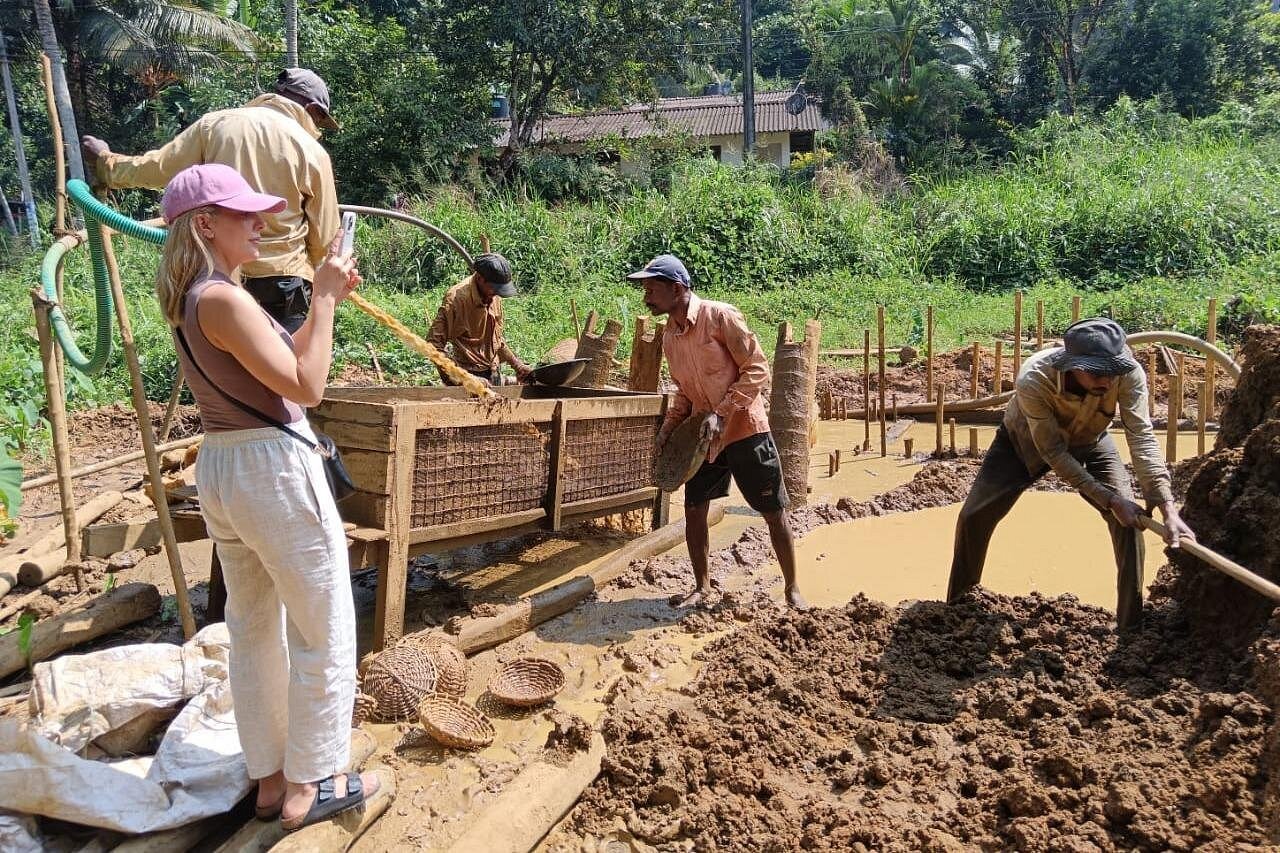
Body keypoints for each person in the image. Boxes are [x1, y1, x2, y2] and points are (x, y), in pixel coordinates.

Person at [156, 163, 377, 831]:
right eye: (243, 214)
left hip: (229, 465)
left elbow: (287, 367)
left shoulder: (201, 296)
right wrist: (326, 298)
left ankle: (272, 777)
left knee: (253, 628)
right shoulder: (223, 300)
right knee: (321, 623)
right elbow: (308, 388)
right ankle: (313, 782)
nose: (259, 223)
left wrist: (324, 299)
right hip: (271, 468)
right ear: (204, 225)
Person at [946, 318, 1196, 630]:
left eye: (1112, 371)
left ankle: (1130, 628)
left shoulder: (1129, 372)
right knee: (973, 516)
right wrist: (1108, 499)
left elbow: (1141, 436)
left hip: (1091, 439)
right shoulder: (1035, 378)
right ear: (1072, 365)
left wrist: (1166, 507)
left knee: (1129, 522)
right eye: (1095, 372)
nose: (1106, 380)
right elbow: (1053, 453)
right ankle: (956, 612)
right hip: (1025, 442)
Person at [83, 68, 341, 333]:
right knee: (287, 358)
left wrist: (107, 163)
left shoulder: (215, 124)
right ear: (312, 109)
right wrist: (318, 282)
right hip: (282, 281)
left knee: (214, 356)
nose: (317, 128)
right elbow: (325, 237)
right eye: (320, 121)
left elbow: (157, 169)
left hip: (215, 270)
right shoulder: (312, 150)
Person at [629, 254, 807, 610]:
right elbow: (684, 392)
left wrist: (722, 413)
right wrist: (668, 429)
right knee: (694, 509)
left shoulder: (720, 316)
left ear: (676, 289)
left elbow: (757, 369)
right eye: (644, 289)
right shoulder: (670, 337)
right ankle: (702, 586)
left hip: (744, 429)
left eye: (651, 289)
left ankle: (792, 588)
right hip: (704, 437)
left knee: (773, 510)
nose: (646, 296)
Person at [426, 252, 532, 385]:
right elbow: (433, 345)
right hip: (465, 376)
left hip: (492, 371)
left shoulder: (493, 295)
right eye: (494, 288)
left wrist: (517, 365)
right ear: (480, 278)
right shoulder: (456, 300)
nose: (496, 294)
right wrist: (465, 378)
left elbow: (497, 341)